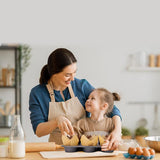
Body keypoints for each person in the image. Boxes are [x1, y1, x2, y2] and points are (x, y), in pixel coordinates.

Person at [29, 48, 122, 150]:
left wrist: (117, 131)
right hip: (57, 150)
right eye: (67, 75)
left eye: (74, 72)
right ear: (53, 73)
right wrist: (56, 121)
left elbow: (110, 107)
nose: (73, 79)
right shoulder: (38, 93)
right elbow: (38, 130)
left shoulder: (81, 86)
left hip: (83, 151)